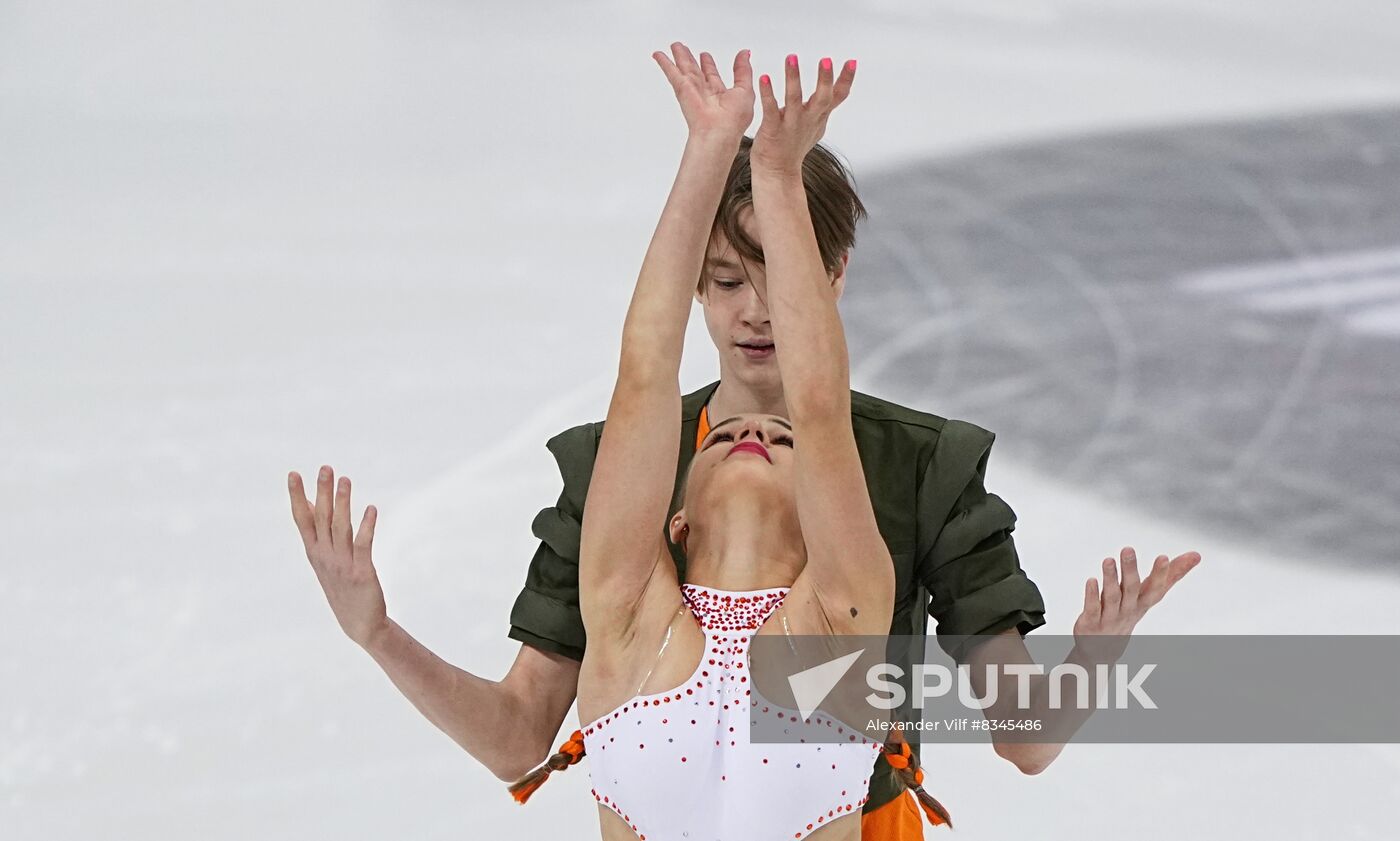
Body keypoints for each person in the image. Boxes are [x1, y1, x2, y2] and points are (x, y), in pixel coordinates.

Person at [286, 43, 1202, 839]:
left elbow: (1024, 733)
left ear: (829, 272)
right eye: (726, 278)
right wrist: (375, 632)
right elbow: (520, 732)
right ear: (673, 519)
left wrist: (1090, 663)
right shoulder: (627, 478)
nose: (755, 309)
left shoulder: (919, 468)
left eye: (775, 273)